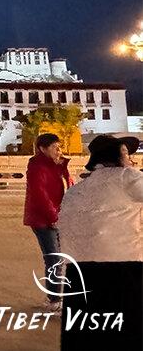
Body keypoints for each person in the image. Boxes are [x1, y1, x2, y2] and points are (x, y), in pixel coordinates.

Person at [57, 135, 142, 350]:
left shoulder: (75, 191)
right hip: (123, 266)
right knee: (127, 331)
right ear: (116, 157)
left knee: (87, 334)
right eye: (126, 154)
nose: (130, 160)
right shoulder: (127, 177)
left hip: (79, 271)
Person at [23, 133, 73, 311]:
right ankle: (54, 299)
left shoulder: (58, 165)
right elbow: (40, 195)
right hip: (43, 220)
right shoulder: (37, 166)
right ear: (42, 149)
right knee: (54, 259)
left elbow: (69, 186)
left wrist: (62, 166)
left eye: (59, 146)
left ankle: (57, 296)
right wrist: (54, 217)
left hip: (59, 217)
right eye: (54, 147)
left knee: (61, 257)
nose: (58, 150)